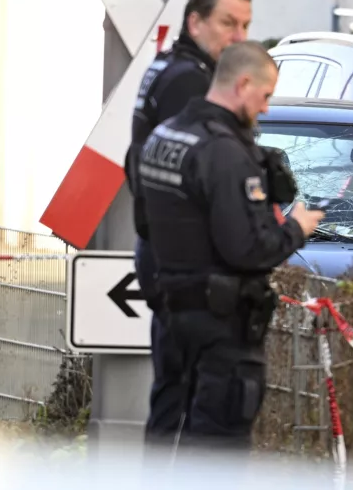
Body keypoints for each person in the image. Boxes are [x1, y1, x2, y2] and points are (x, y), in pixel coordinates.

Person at [137, 40, 324, 456]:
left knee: (166, 430)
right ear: (242, 84)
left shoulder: (165, 135)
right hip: (221, 326)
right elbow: (247, 249)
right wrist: (296, 228)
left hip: (173, 314)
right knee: (217, 448)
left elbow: (151, 221)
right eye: (265, 95)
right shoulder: (223, 153)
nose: (266, 109)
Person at [123, 0, 252, 448]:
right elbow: (188, 180)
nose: (238, 37)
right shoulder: (191, 82)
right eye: (227, 23)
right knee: (192, 404)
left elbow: (134, 164)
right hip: (181, 263)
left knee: (173, 394)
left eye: (245, 26)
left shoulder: (167, 67)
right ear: (195, 22)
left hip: (163, 254)